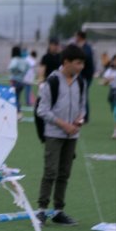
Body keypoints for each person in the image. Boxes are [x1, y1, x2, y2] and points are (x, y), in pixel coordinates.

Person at [35, 44, 87, 226]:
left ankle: (58, 210)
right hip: (54, 134)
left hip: (72, 135)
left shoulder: (81, 81)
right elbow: (42, 110)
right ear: (66, 62)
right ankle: (41, 210)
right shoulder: (52, 81)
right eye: (78, 63)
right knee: (50, 172)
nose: (81, 67)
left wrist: (78, 121)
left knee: (64, 173)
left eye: (83, 63)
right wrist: (63, 124)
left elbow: (82, 107)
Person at [74, 31, 94, 123]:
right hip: (80, 75)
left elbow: (86, 57)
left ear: (80, 37)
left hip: (87, 75)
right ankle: (79, 115)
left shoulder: (87, 47)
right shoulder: (79, 46)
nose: (75, 38)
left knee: (83, 94)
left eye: (76, 36)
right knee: (79, 94)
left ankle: (85, 117)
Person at [8, 46, 29, 113]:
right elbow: (28, 67)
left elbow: (11, 67)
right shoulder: (23, 60)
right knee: (18, 97)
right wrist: (23, 73)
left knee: (14, 98)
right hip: (21, 81)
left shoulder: (14, 59)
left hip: (14, 80)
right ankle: (18, 111)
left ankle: (16, 112)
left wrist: (15, 72)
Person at [102, 55, 116, 139]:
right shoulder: (110, 70)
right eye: (114, 60)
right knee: (113, 110)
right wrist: (108, 80)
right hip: (112, 93)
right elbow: (104, 83)